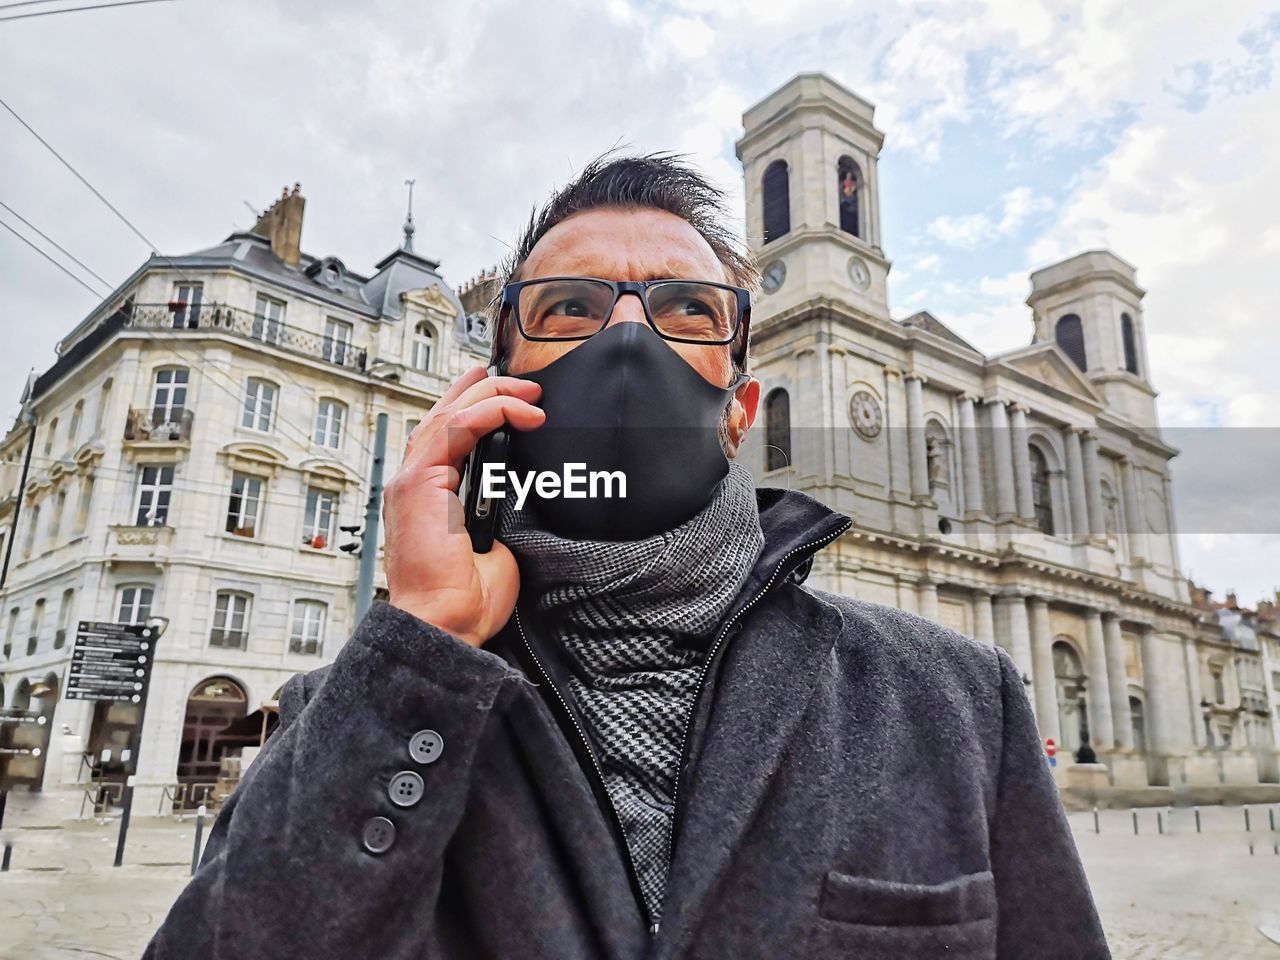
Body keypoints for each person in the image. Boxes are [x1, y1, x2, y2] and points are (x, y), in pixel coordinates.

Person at [142, 152, 1111, 959]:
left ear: (740, 412)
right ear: (489, 395)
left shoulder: (953, 701)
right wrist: (423, 641)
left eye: (686, 310)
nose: (625, 333)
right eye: (567, 307)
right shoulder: (367, 705)